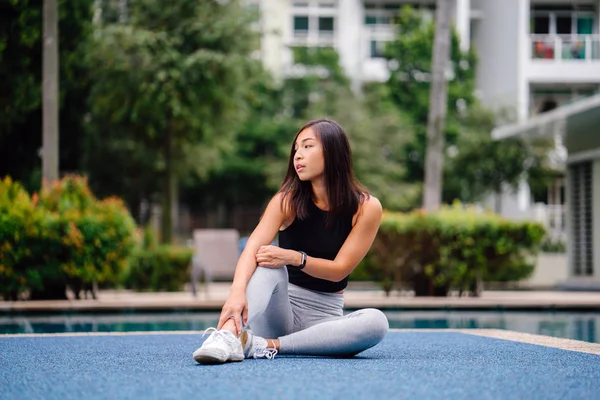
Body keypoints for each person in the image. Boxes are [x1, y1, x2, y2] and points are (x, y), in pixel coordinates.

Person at [192, 118, 389, 364]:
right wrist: (236, 293)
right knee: (265, 262)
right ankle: (227, 335)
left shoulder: (367, 207)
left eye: (307, 146)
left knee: (377, 322)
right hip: (280, 312)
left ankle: (263, 345)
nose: (298, 155)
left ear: (333, 151)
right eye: (296, 149)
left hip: (325, 319)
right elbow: (252, 248)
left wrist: (294, 258)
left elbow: (339, 271)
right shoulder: (286, 201)